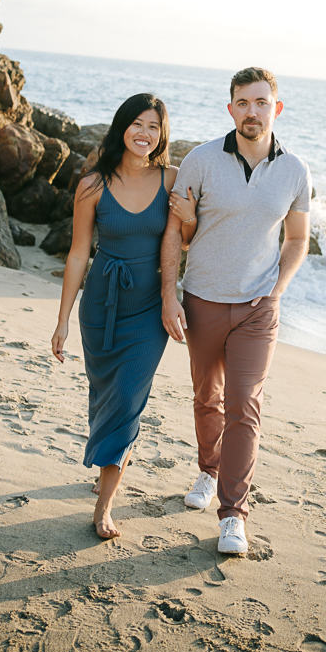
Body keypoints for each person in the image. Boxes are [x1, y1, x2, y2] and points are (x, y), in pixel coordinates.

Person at [160, 67, 311, 555]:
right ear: (231, 109)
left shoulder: (296, 171)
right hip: (202, 298)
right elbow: (177, 235)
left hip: (257, 309)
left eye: (261, 102)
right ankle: (208, 470)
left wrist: (276, 291)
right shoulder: (200, 161)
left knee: (243, 406)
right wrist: (169, 293)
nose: (252, 111)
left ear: (276, 108)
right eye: (243, 102)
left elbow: (297, 239)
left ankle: (233, 515)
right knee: (208, 398)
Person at [51, 93, 196, 540]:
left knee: (129, 399)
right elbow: (78, 255)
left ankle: (105, 505)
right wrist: (63, 319)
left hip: (149, 307)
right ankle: (106, 464)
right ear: (121, 128)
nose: (144, 133)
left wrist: (189, 218)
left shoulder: (173, 178)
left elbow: (185, 242)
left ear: (162, 134)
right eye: (137, 123)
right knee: (105, 393)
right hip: (101, 304)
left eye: (154, 126)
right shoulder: (93, 184)